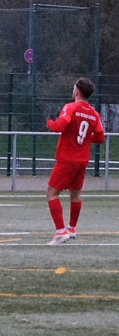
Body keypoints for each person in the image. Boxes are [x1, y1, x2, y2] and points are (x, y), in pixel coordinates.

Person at [45, 77, 104, 245]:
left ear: (77, 92)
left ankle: (60, 232)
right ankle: (71, 228)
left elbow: (60, 126)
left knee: (51, 193)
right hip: (82, 160)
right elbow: (100, 137)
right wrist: (85, 138)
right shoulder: (94, 113)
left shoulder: (70, 107)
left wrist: (49, 123)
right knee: (75, 193)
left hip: (67, 159)